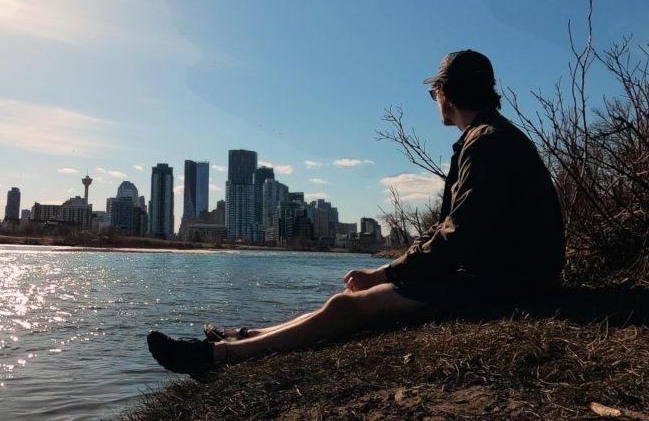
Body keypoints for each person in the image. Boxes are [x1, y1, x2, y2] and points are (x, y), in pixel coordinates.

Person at [147, 49, 565, 378]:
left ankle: (213, 358)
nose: (433, 99)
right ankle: (246, 337)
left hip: (505, 286)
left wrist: (384, 274)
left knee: (347, 308)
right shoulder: (490, 137)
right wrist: (398, 269)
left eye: (433, 91)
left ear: (446, 93)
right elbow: (456, 229)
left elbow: (459, 235)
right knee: (345, 303)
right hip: (503, 275)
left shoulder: (486, 142)